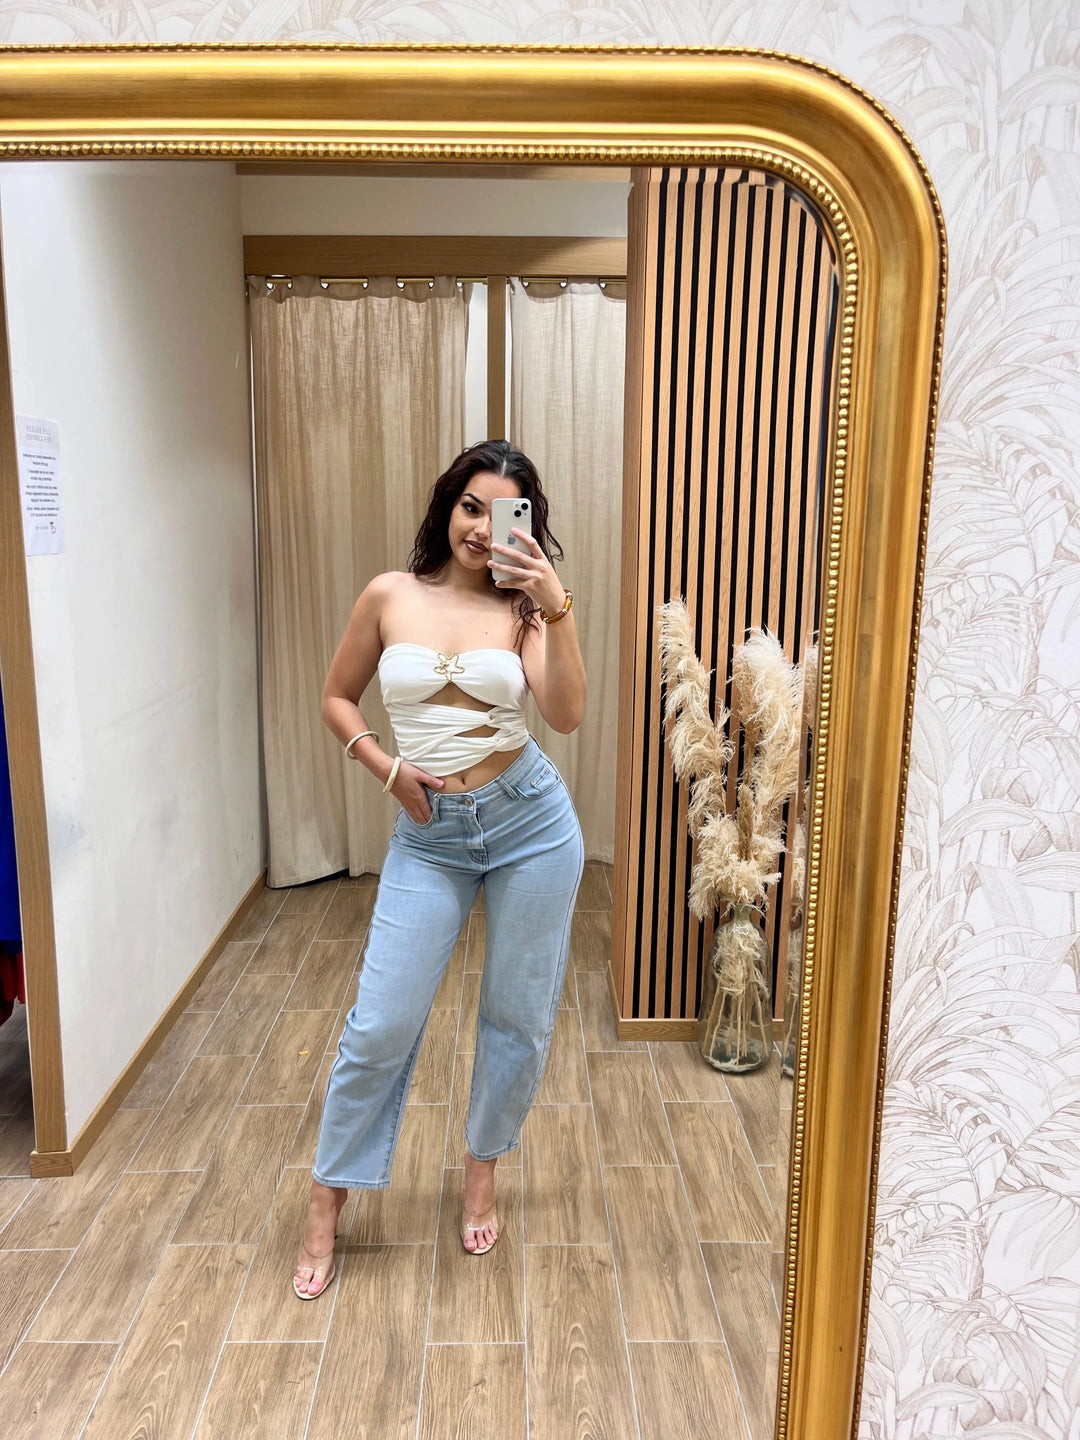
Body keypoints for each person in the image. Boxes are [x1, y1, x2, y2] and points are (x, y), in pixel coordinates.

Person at [293, 439, 586, 1299]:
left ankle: (481, 1167)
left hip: (531, 823)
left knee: (517, 1016)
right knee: (380, 1022)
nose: (481, 528)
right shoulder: (390, 594)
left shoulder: (527, 614)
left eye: (502, 514)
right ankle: (327, 1196)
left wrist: (557, 608)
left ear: (525, 526)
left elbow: (565, 714)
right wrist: (385, 767)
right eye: (469, 506)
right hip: (429, 836)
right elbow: (336, 697)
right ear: (446, 506)